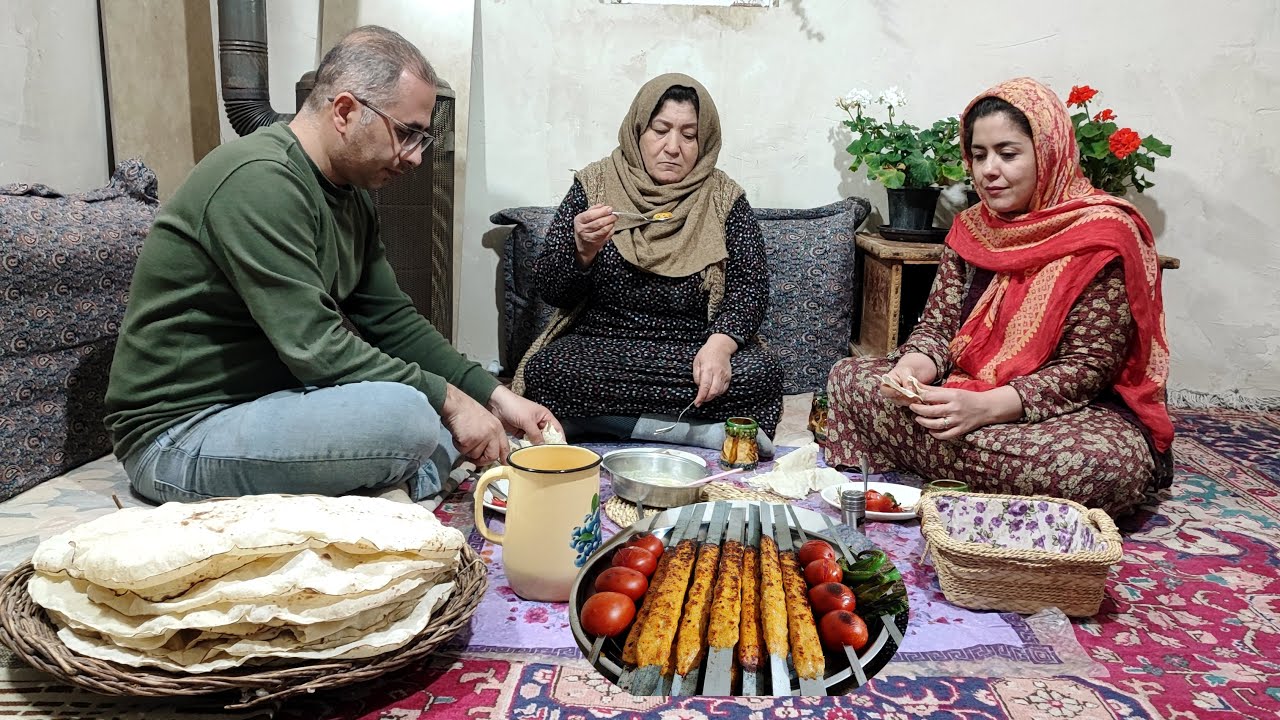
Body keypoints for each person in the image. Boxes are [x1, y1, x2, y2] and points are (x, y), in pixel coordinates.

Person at [105, 26, 560, 506]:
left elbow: (395, 323)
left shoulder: (352, 195)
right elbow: (317, 349)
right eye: (407, 134)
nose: (418, 157)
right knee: (408, 417)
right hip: (179, 435)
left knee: (434, 417)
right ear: (345, 110)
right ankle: (393, 484)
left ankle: (385, 481)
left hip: (265, 409)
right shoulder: (259, 180)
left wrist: (496, 397)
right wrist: (450, 401)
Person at [824, 77, 1174, 516]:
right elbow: (937, 327)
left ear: (1048, 153)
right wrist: (911, 373)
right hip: (966, 388)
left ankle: (947, 463)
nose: (989, 170)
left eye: (1008, 154)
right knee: (848, 377)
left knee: (1098, 467)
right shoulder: (972, 227)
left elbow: (1086, 370)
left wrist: (987, 407)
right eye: (978, 155)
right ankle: (993, 481)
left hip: (1062, 413)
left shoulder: (1104, 234)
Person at [513, 73, 782, 452]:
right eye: (661, 130)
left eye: (688, 135)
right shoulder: (595, 185)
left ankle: (604, 426)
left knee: (760, 374)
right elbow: (551, 288)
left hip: (692, 347)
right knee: (548, 370)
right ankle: (692, 430)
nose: (673, 147)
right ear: (638, 130)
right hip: (603, 343)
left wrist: (720, 346)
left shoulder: (724, 198)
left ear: (703, 142)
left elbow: (749, 288)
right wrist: (582, 250)